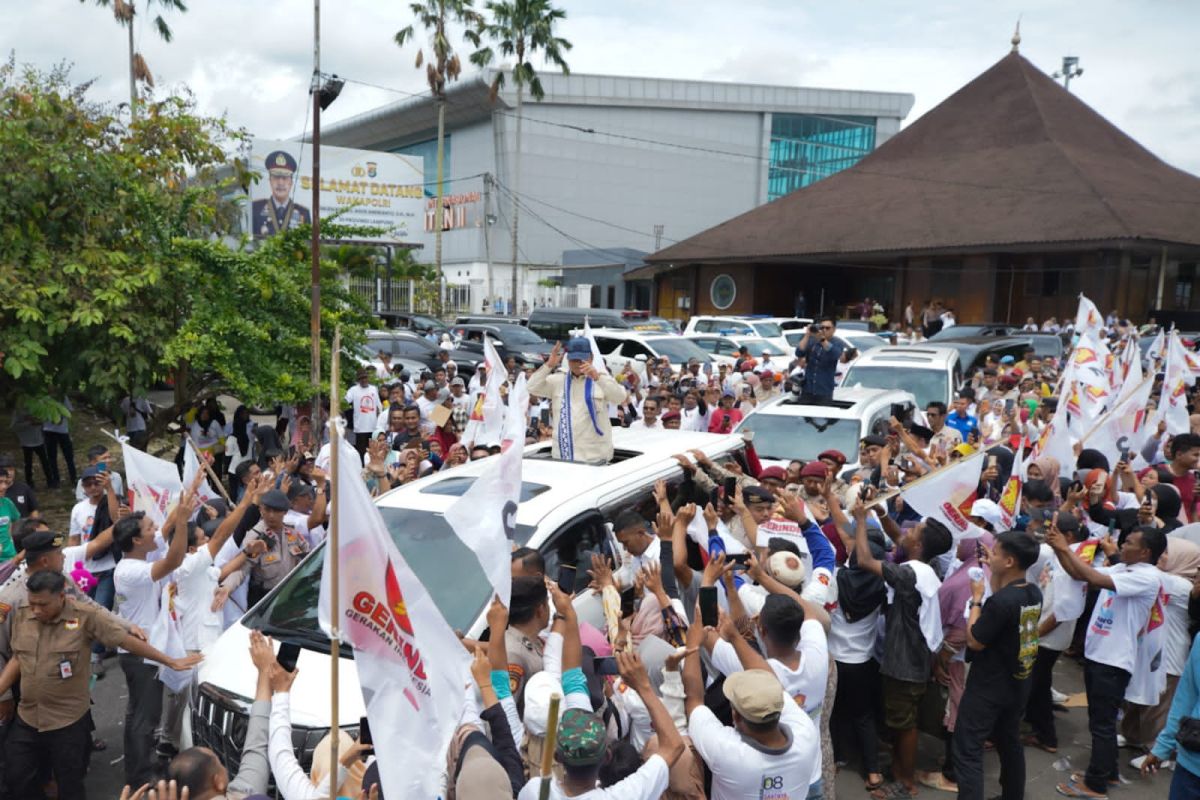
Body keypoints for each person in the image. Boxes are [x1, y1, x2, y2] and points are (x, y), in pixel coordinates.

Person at [0, 569, 201, 800]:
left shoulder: (86, 616)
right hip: (28, 718)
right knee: (17, 778)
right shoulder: (24, 613)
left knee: (70, 786)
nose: (36, 610)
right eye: (32, 603)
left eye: (43, 605)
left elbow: (126, 641)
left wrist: (170, 661)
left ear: (61, 597)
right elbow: (18, 657)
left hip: (67, 723)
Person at [1049, 525, 1167, 799]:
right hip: (1099, 655)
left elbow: (1093, 577)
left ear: (1145, 552)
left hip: (1112, 662)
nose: (1120, 546)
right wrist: (1060, 549)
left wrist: (1065, 548)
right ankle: (1109, 772)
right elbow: (1081, 574)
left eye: (1128, 543)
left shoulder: (1147, 577)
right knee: (1100, 721)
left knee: (1101, 725)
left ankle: (1096, 784)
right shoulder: (1125, 568)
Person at [850, 501, 953, 799]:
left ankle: (906, 783)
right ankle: (898, 768)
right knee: (900, 721)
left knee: (905, 724)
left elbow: (865, 561)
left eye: (914, 531)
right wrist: (880, 515)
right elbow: (899, 539)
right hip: (916, 659)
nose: (906, 532)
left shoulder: (909, 575)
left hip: (904, 665)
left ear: (918, 544)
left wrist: (859, 521)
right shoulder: (926, 566)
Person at [113, 479, 197, 788]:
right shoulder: (132, 571)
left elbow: (164, 532)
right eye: (148, 528)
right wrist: (184, 521)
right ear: (136, 540)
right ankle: (140, 777)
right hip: (140, 653)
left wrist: (183, 502)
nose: (155, 530)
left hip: (140, 650)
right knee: (144, 720)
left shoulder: (136, 559)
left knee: (140, 715)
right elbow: (174, 559)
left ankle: (140, 769)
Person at [684, 613, 821, 800]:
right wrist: (733, 636)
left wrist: (692, 646)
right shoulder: (806, 733)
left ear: (736, 716)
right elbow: (771, 681)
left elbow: (694, 701)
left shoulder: (727, 751)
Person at [953, 531, 1043, 800]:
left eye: (997, 552)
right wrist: (992, 574)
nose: (991, 556)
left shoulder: (999, 603)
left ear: (1010, 561)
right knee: (1009, 741)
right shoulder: (1031, 592)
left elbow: (975, 640)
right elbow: (1004, 597)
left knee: (967, 749)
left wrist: (977, 599)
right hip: (1018, 682)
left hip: (989, 687)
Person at [164, 630, 278, 799]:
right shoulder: (245, 794)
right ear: (218, 782)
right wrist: (264, 671)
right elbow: (257, 745)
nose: (225, 768)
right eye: (219, 764)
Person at [528, 339, 625, 464]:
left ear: (591, 358)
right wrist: (549, 365)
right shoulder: (558, 380)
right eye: (574, 360)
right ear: (568, 360)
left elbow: (620, 397)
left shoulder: (601, 379)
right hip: (563, 456)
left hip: (594, 457)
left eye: (582, 359)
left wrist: (597, 377)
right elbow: (531, 387)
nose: (578, 364)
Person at [1141, 631, 1200, 799]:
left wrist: (1163, 747)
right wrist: (1163, 746)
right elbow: (1186, 698)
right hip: (1192, 765)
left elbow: (1186, 698)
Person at [251, 149, 312, 236]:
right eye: (276, 177)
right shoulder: (255, 209)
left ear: (291, 182)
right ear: (270, 180)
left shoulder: (303, 213)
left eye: (285, 178)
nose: (280, 183)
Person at [794, 317, 845, 402]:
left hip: (824, 391)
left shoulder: (837, 342)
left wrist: (822, 340)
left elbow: (836, 355)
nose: (824, 330)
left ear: (834, 330)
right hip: (808, 389)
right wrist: (807, 334)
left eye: (827, 328)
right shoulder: (812, 341)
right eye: (822, 327)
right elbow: (799, 352)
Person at [345, 368, 383, 457]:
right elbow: (345, 402)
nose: (364, 380)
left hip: (373, 427)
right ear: (358, 380)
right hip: (360, 428)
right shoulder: (353, 390)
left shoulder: (374, 389)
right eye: (361, 378)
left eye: (365, 377)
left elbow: (379, 406)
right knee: (361, 453)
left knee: (373, 452)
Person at [41, 399, 77, 490]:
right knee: (52, 457)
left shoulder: (62, 397)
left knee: (69, 456)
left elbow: (70, 410)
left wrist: (60, 415)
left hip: (62, 431)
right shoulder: (43, 399)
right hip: (48, 430)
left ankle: (73, 477)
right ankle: (55, 480)